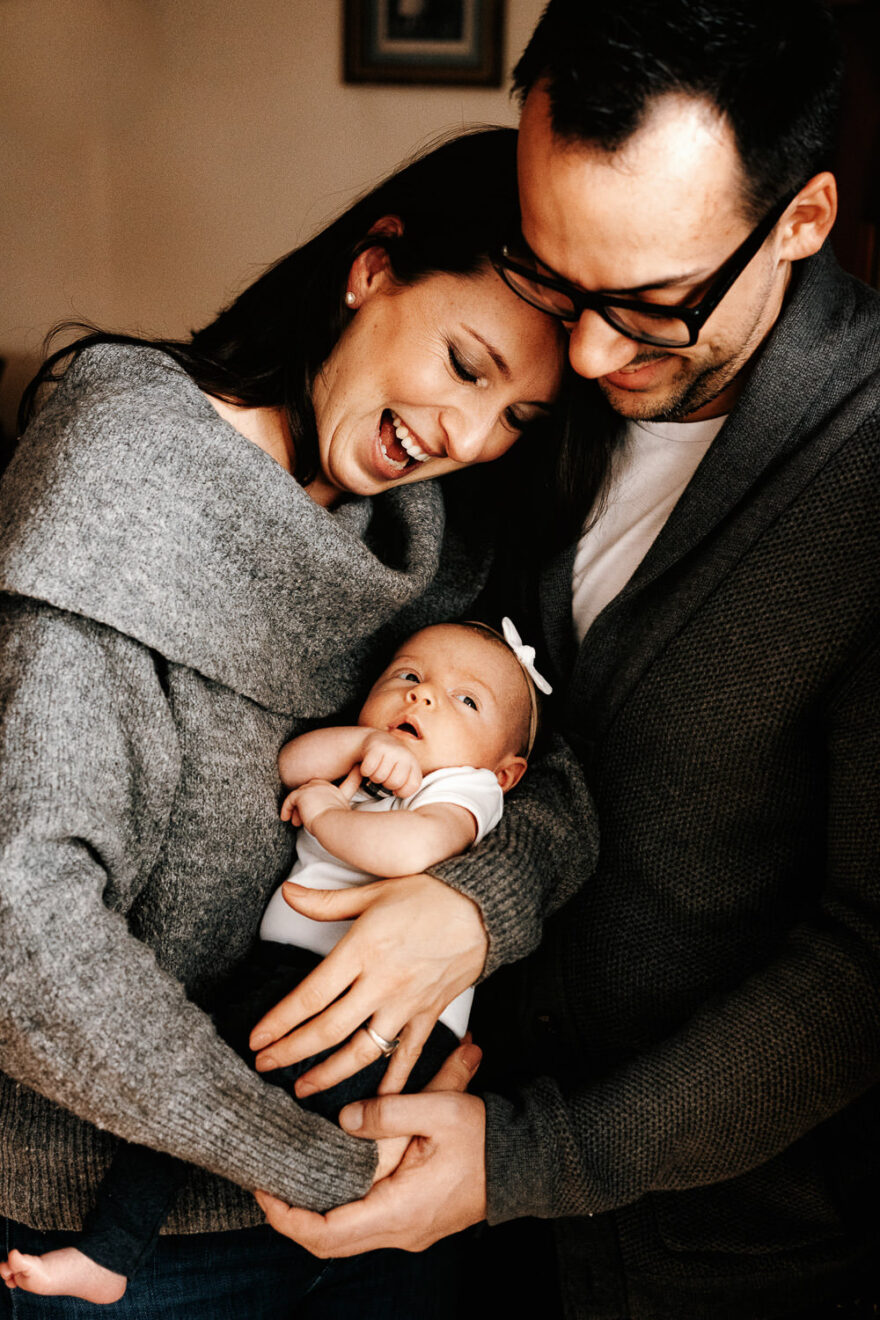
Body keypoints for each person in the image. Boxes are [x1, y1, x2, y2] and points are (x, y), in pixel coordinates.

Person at [258, 3, 880, 1317]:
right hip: (443, 1224)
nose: (589, 355)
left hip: (723, 1264)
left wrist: (531, 1161)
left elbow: (867, 966)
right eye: (557, 278)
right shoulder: (518, 396)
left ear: (803, 219)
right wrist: (478, 893)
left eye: (653, 306)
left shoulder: (862, 483)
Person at [0, 127, 598, 1319]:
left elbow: (557, 778)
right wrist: (317, 1160)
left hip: (393, 1189)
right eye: (465, 366)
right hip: (131, 1239)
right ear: (373, 268)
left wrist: (473, 907)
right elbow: (25, 930)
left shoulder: (437, 534)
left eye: (517, 416)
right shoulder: (127, 480)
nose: (467, 436)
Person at [1, 617, 550, 1305]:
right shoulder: (373, 760)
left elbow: (406, 850)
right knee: (187, 1096)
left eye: (466, 701)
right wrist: (361, 744)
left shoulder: (466, 791)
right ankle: (109, 1255)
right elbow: (292, 762)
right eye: (408, 677)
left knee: (210, 1103)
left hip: (382, 1015)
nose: (424, 697)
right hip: (292, 982)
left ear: (505, 770)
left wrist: (324, 811)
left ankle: (115, 1252)